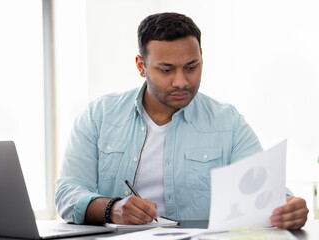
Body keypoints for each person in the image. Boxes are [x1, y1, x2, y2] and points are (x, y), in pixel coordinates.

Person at [55, 12, 308, 229]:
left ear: (201, 58)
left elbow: (264, 191)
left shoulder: (228, 122)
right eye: (166, 70)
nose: (181, 82)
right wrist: (113, 208)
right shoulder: (98, 117)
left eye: (191, 66)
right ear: (141, 66)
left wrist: (288, 207)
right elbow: (68, 194)